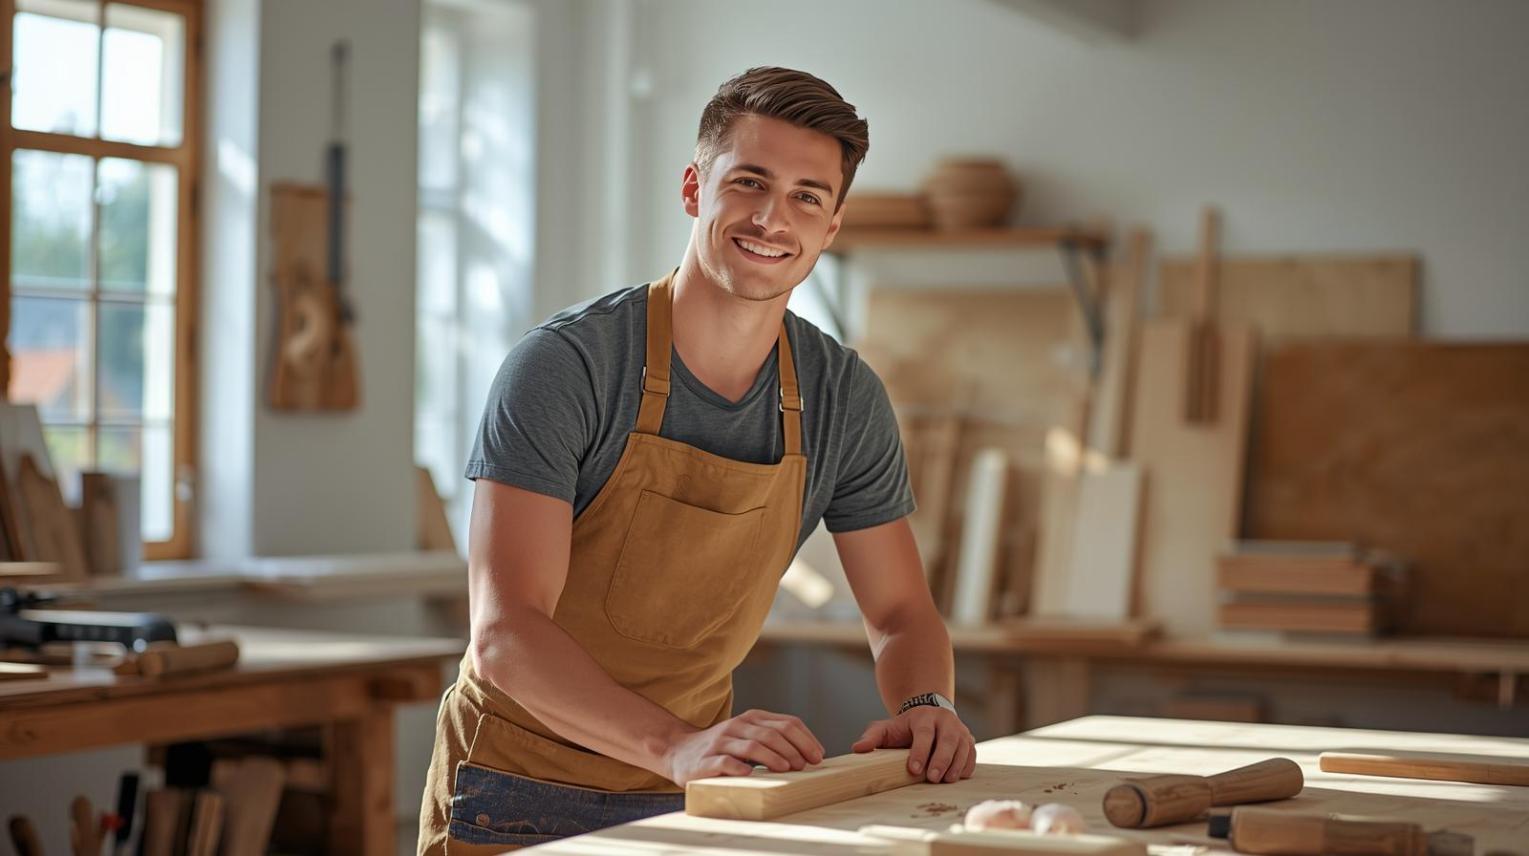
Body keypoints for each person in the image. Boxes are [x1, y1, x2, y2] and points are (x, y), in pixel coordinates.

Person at [419, 66, 975, 855]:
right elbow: (506, 633)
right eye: (749, 182)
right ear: (693, 187)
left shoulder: (842, 398)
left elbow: (900, 615)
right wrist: (675, 745)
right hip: (516, 789)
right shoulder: (566, 366)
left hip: (693, 792)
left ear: (831, 227)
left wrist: (928, 702)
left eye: (806, 197)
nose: (771, 217)